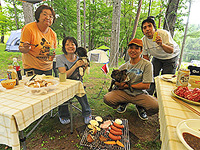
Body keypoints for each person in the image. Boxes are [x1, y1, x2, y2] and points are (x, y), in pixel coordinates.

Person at [103, 38, 158, 120]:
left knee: (156, 105)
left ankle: (140, 106)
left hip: (140, 94)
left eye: (136, 48)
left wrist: (128, 86)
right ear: (128, 50)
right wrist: (119, 84)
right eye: (131, 48)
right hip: (124, 93)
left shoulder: (147, 64)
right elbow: (116, 81)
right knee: (107, 98)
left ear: (141, 51)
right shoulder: (123, 67)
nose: (133, 50)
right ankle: (123, 102)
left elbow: (146, 85)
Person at [56, 36, 92, 124]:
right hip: (64, 83)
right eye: (67, 44)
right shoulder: (60, 58)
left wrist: (84, 68)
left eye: (72, 44)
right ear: (64, 47)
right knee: (63, 94)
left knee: (81, 91)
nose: (70, 46)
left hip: (77, 82)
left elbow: (81, 74)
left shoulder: (79, 57)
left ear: (76, 46)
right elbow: (64, 75)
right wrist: (75, 65)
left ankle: (87, 113)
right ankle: (63, 115)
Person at [141, 16, 180, 95]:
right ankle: (148, 95)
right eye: (144, 28)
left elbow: (171, 51)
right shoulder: (143, 40)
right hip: (157, 57)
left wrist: (161, 44)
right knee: (151, 75)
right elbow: (145, 57)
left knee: (166, 79)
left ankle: (159, 97)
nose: (147, 29)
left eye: (149, 26)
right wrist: (147, 69)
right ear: (143, 31)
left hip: (171, 57)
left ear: (154, 28)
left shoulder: (163, 34)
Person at [19, 5, 57, 76]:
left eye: (51, 16)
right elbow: (21, 49)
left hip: (48, 69)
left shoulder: (53, 34)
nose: (48, 18)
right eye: (45, 14)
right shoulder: (29, 29)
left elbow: (52, 52)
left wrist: (52, 55)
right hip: (32, 68)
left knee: (48, 87)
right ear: (38, 16)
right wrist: (26, 48)